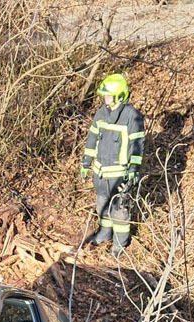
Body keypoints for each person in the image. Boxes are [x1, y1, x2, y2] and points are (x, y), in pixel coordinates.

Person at [80, 73, 145, 257]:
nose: (105, 99)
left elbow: (137, 146)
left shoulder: (132, 116)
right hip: (100, 174)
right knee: (102, 207)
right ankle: (103, 235)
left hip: (119, 175)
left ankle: (119, 244)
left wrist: (133, 169)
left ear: (119, 95)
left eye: (108, 95)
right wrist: (86, 162)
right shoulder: (101, 113)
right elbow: (92, 138)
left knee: (119, 212)